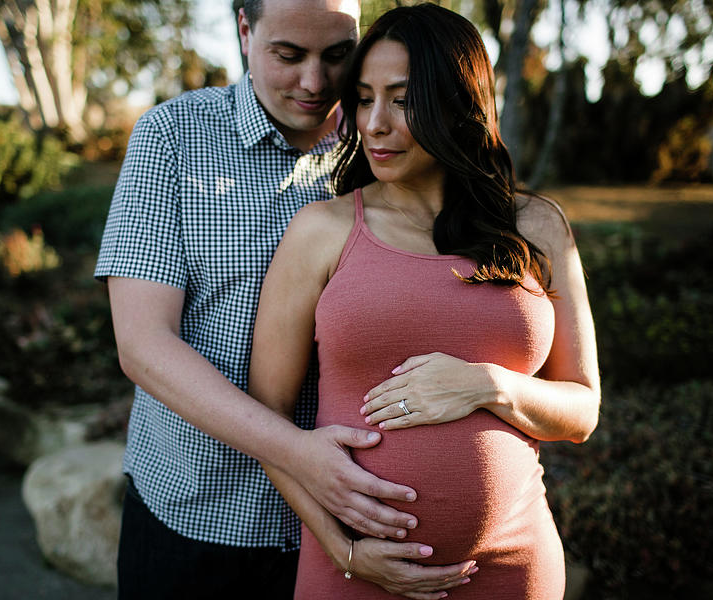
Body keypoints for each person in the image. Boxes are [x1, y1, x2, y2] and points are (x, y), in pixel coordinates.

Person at [95, 0, 480, 597]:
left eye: (335, 56)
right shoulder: (174, 136)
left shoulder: (386, 143)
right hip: (201, 513)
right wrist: (299, 454)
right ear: (246, 31)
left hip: (359, 530)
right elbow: (143, 345)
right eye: (288, 55)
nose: (315, 82)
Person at [248, 4, 601, 599]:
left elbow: (582, 410)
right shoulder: (321, 231)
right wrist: (344, 549)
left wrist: (489, 384)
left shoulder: (536, 227)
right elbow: (269, 416)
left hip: (513, 567)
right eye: (363, 99)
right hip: (355, 573)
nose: (375, 124)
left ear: (459, 103)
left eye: (403, 99)